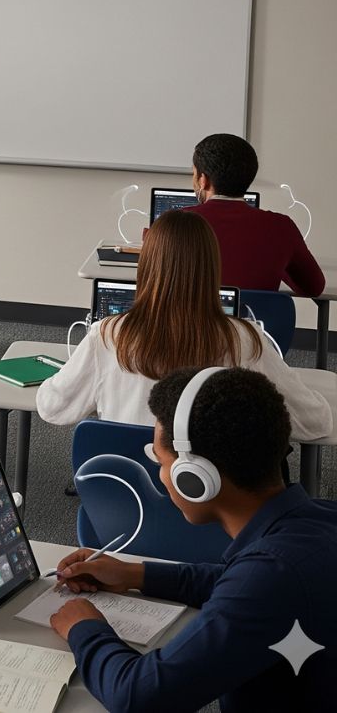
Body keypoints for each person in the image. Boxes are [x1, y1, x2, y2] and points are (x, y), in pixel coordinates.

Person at [49, 366, 337, 711]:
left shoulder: (271, 576)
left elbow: (138, 697)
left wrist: (85, 628)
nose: (160, 474)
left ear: (195, 478)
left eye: (161, 461)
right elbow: (235, 580)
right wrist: (134, 574)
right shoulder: (316, 520)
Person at [37, 210, 329, 442]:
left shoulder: (107, 335)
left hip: (124, 492)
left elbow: (52, 407)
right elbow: (315, 423)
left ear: (146, 265)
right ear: (213, 267)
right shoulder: (244, 340)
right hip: (210, 496)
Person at [183, 133, 324, 296]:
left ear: (203, 180)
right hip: (255, 314)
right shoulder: (282, 227)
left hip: (188, 314)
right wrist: (278, 259)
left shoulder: (174, 223)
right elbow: (313, 287)